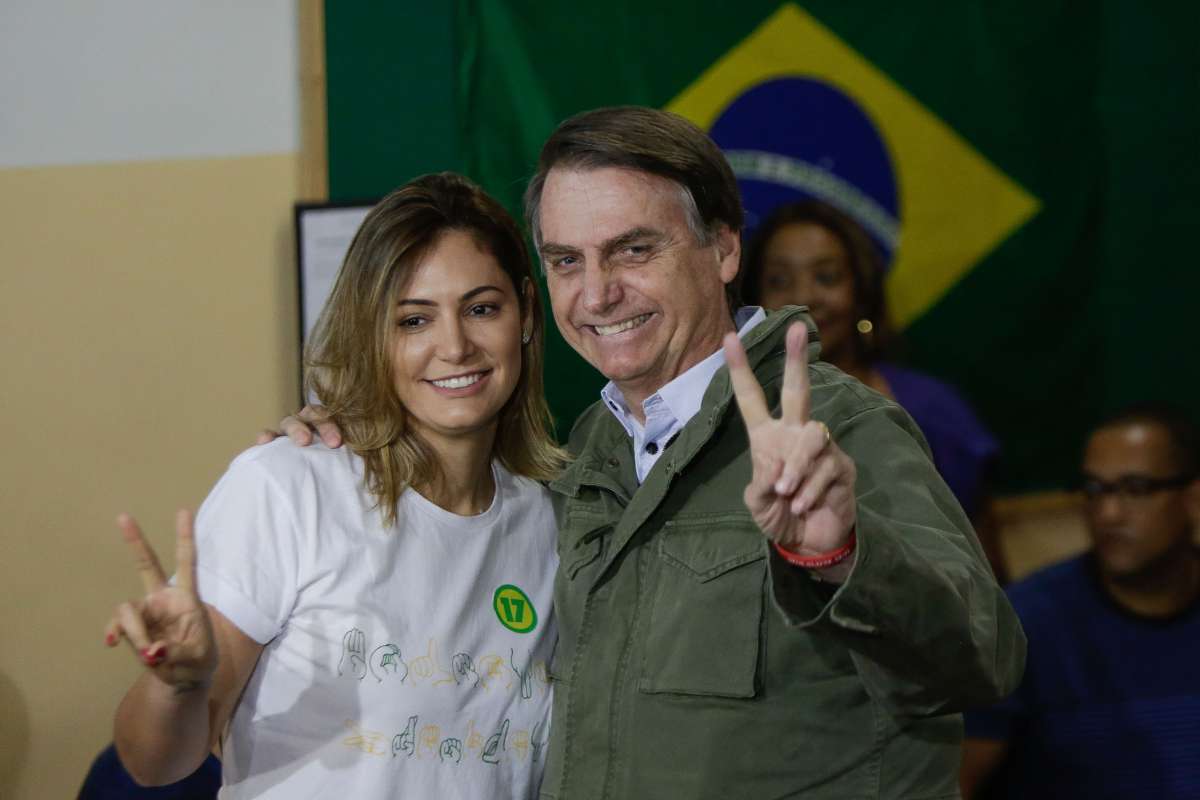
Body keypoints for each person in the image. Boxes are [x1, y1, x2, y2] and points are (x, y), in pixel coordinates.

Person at [280, 106, 1025, 798]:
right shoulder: (583, 457)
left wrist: (841, 557)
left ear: (725, 248)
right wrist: (344, 442)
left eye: (633, 250)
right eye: (567, 261)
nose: (597, 294)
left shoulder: (839, 427)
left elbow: (983, 659)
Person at [104, 173, 565, 798]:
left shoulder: (554, 520)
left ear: (528, 314)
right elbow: (152, 764)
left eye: (481, 308)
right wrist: (177, 684)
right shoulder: (288, 488)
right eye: (413, 320)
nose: (454, 345)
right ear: (372, 333)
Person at [742, 199, 1007, 580]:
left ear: (861, 291)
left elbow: (984, 573)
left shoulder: (930, 407)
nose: (805, 297)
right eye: (780, 281)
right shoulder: (729, 411)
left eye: (827, 276)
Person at [960, 405, 1200, 799]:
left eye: (1135, 489)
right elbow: (953, 784)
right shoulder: (1023, 624)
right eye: (1093, 490)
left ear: (1192, 498)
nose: (1107, 513)